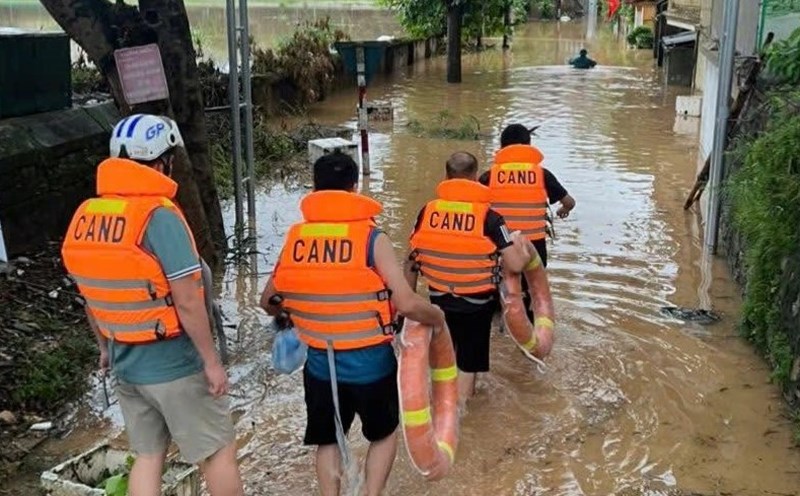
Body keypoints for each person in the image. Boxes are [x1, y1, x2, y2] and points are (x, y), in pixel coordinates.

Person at [61, 114, 244, 496]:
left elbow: (94, 293)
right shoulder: (158, 216)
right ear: (162, 162)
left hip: (127, 365)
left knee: (147, 456)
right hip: (175, 366)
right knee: (217, 452)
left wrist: (104, 348)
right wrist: (211, 363)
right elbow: (189, 300)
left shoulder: (87, 215)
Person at [259, 152, 446, 496]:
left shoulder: (296, 239)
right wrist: (436, 317)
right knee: (383, 434)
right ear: (355, 187)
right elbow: (404, 302)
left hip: (320, 365)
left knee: (328, 440)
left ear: (315, 189)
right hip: (371, 365)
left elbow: (269, 300)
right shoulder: (371, 239)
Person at [406, 152, 537, 401]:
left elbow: (411, 259)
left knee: (445, 356)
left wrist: (408, 304)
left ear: (446, 177)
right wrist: (522, 246)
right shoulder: (490, 216)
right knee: (469, 363)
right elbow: (515, 265)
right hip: (476, 303)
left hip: (438, 299)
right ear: (476, 178)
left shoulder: (427, 211)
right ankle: (463, 415)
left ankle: (440, 404)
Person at [480, 124, 576, 320]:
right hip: (533, 247)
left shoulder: (490, 175)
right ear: (529, 145)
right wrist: (563, 210)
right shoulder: (542, 174)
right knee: (531, 292)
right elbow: (569, 202)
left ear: (502, 146)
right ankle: (530, 328)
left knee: (498, 289)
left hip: (500, 245)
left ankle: (499, 323)